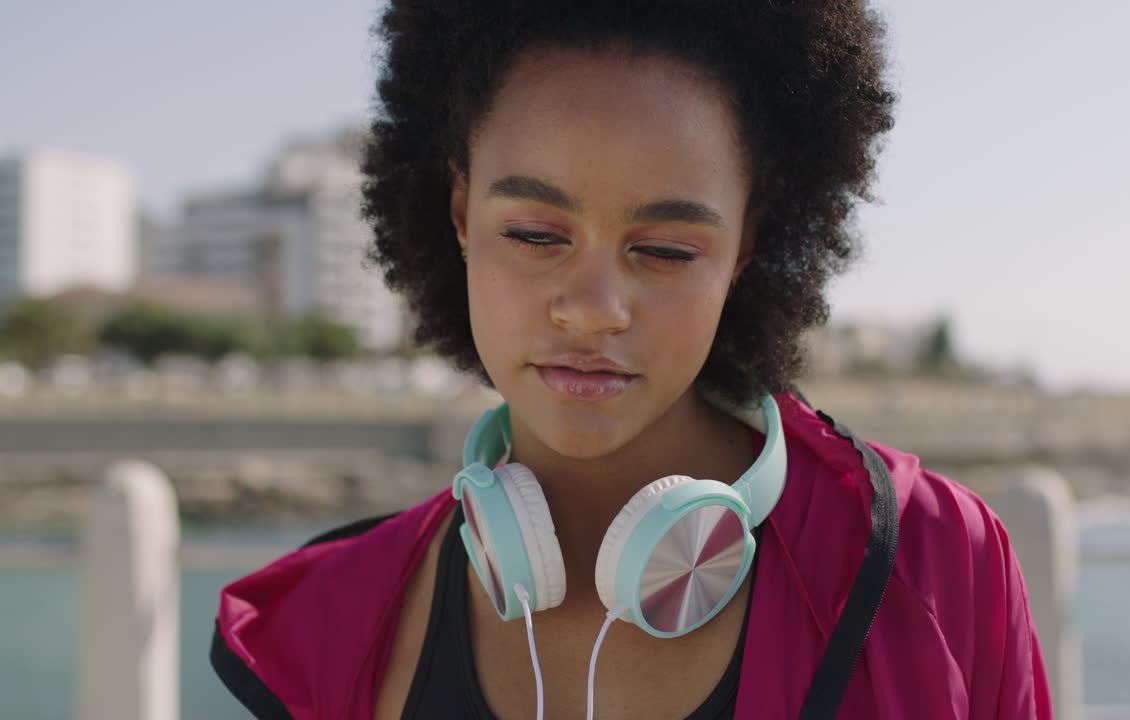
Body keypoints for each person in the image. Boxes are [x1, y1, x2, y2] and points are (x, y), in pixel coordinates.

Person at [210, 1, 1054, 718]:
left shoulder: (938, 564)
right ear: (460, 212)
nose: (592, 307)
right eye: (536, 234)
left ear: (747, 249)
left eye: (665, 250)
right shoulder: (333, 621)